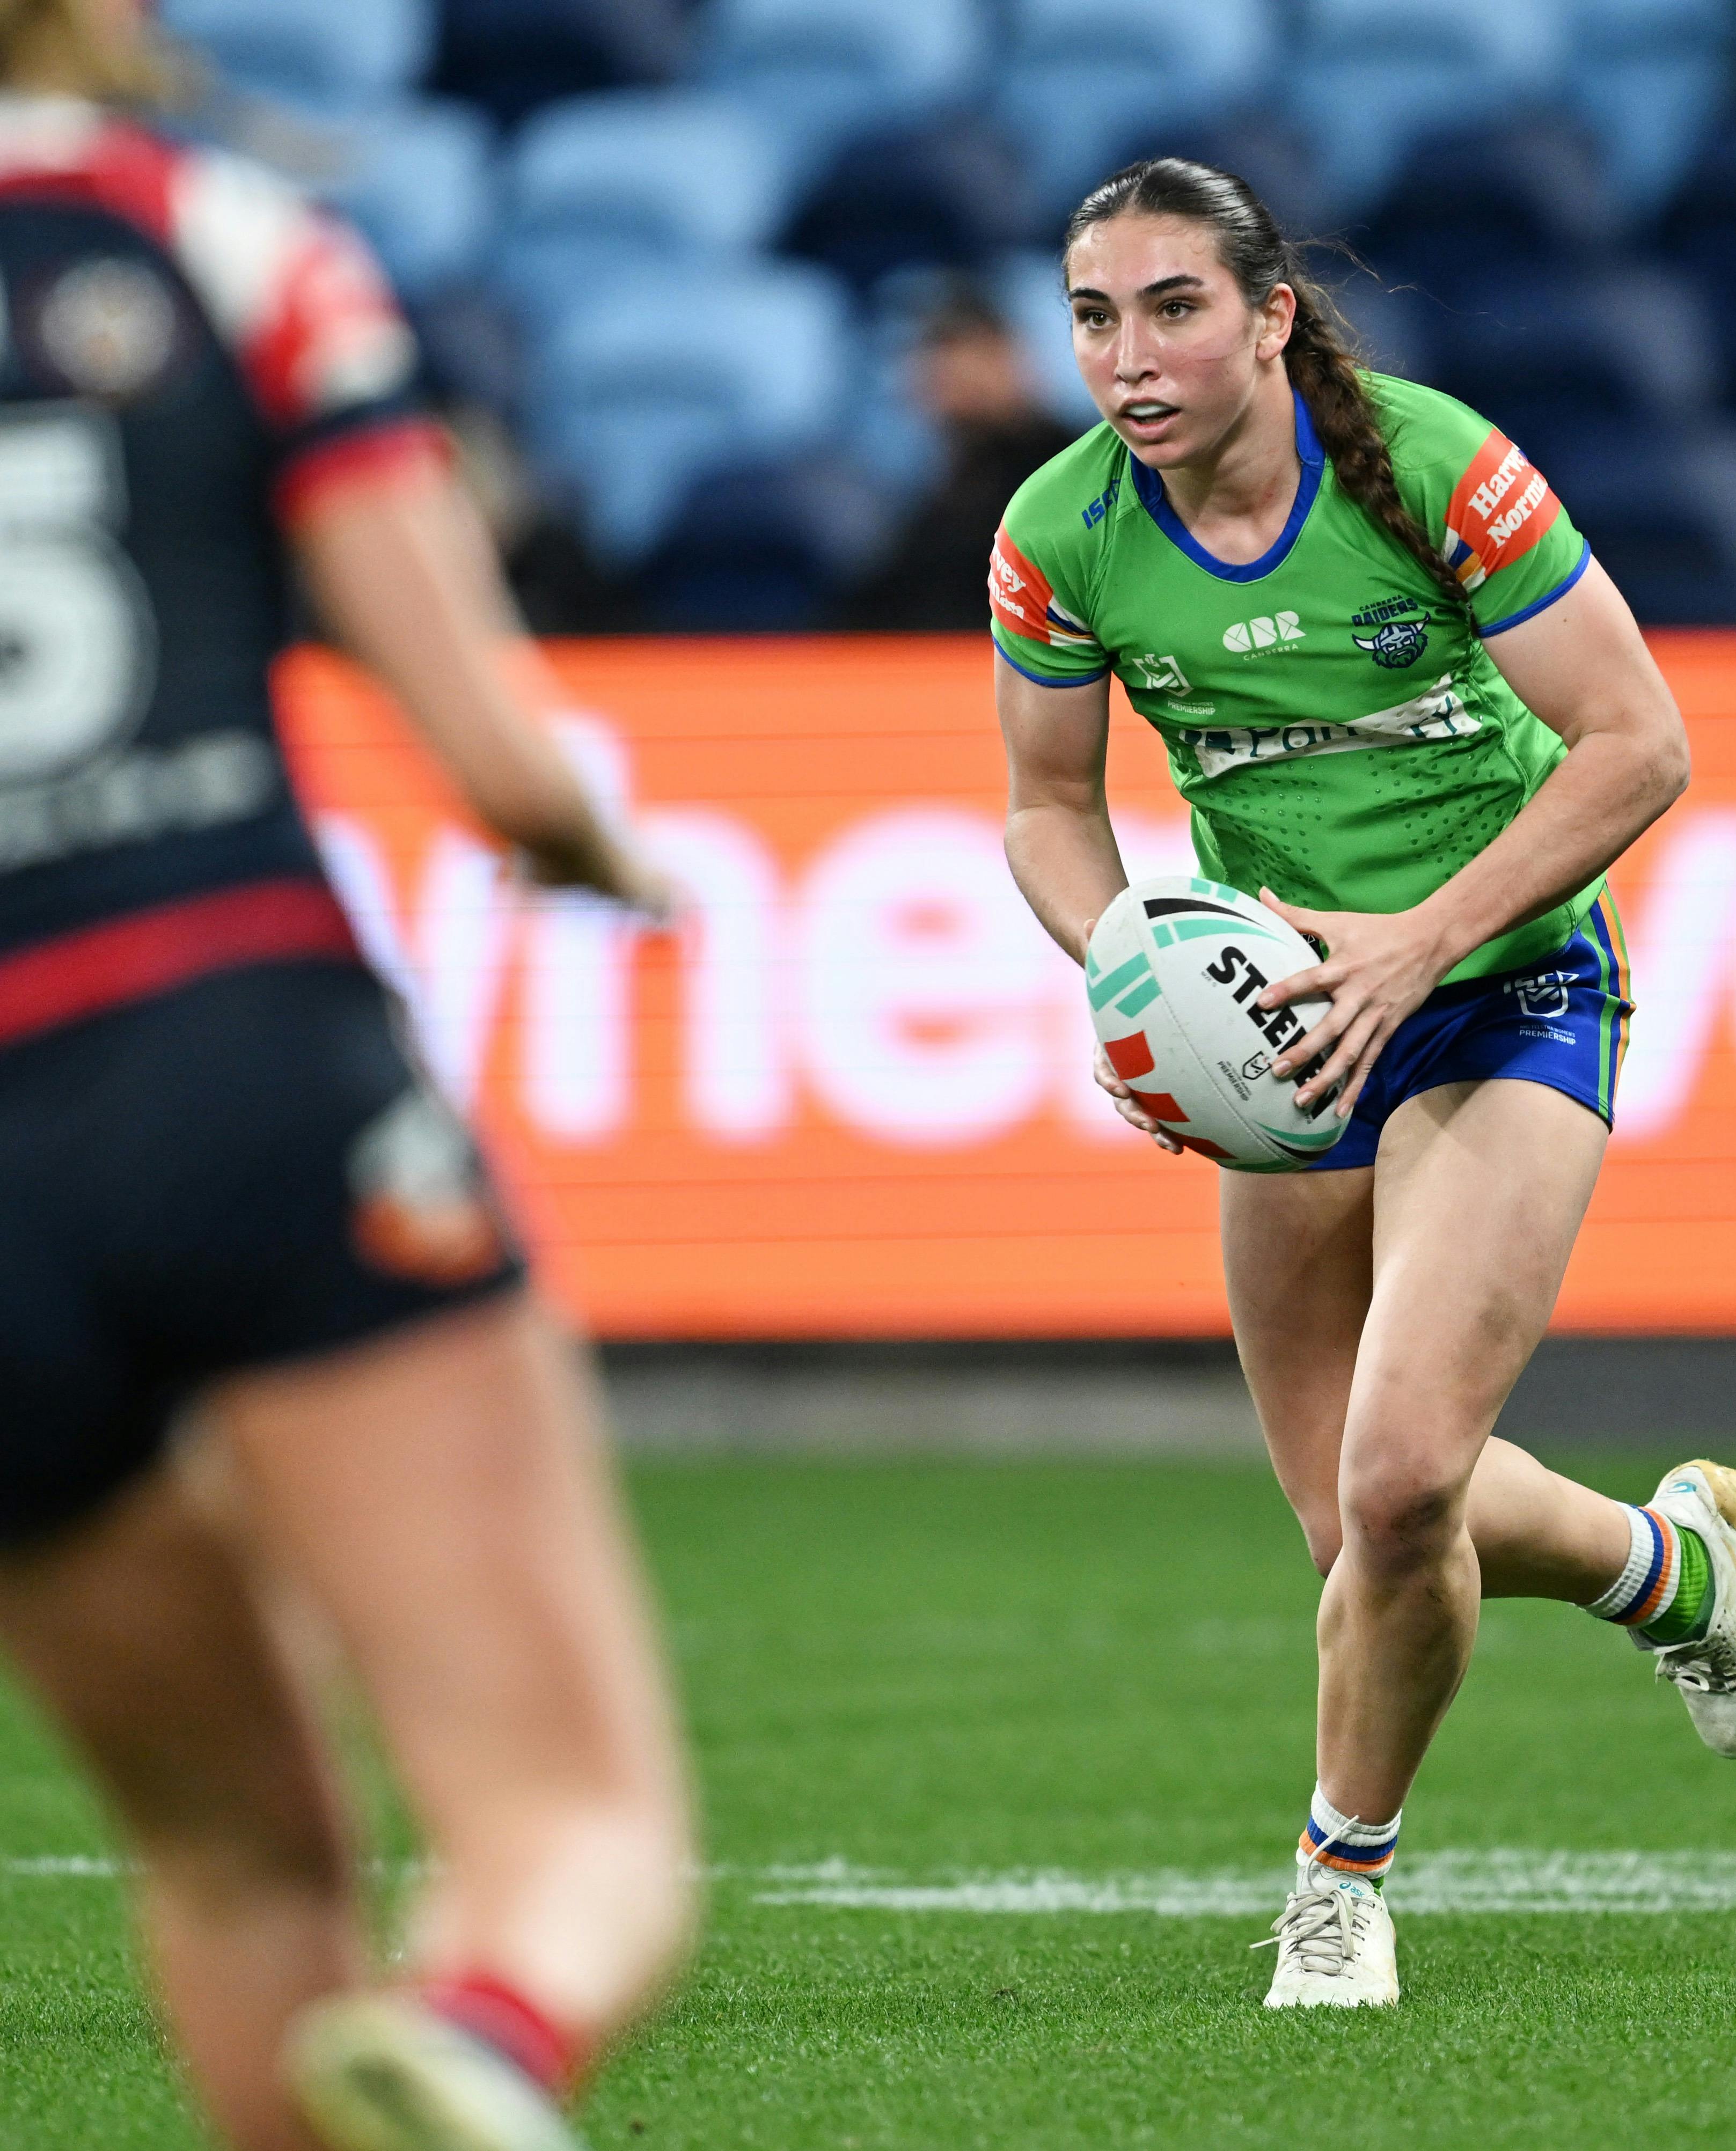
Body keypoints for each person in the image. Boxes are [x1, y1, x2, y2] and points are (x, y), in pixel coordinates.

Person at [0, 3, 694, 2145]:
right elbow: (489, 755)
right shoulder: (226, 239)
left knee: (229, 1855)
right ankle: (490, 2025)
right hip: (241, 1048)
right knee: (574, 1827)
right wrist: (608, 860)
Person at [990, 159, 1736, 2009]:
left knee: (1409, 1464)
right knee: (1368, 1525)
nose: (1130, 354)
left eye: (1174, 306)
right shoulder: (1062, 527)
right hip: (1283, 1033)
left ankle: (1337, 1881)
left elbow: (1637, 739)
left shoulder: (1430, 466)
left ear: (1270, 315)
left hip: (1501, 989)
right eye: (1095, 315)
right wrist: (1130, 966)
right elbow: (1043, 804)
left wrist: (1422, 936)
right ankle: (1668, 1566)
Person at [845, 278, 1076, 630]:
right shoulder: (947, 483)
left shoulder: (1072, 468)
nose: (949, 378)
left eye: (967, 355)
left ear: (1011, 358)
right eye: (934, 360)